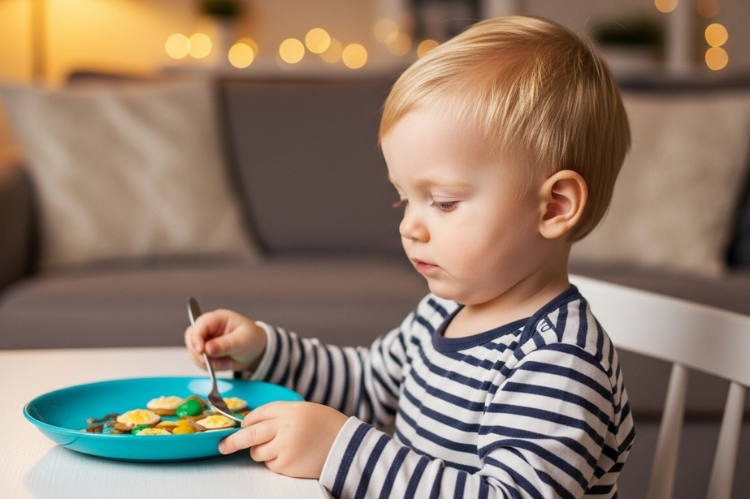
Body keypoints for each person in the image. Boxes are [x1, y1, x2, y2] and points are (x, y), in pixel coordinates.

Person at [185, 15, 635, 498]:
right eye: (404, 199)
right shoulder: (444, 311)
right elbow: (369, 385)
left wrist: (343, 453)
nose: (408, 226)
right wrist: (264, 351)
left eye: (442, 201)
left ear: (554, 206)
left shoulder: (558, 363)